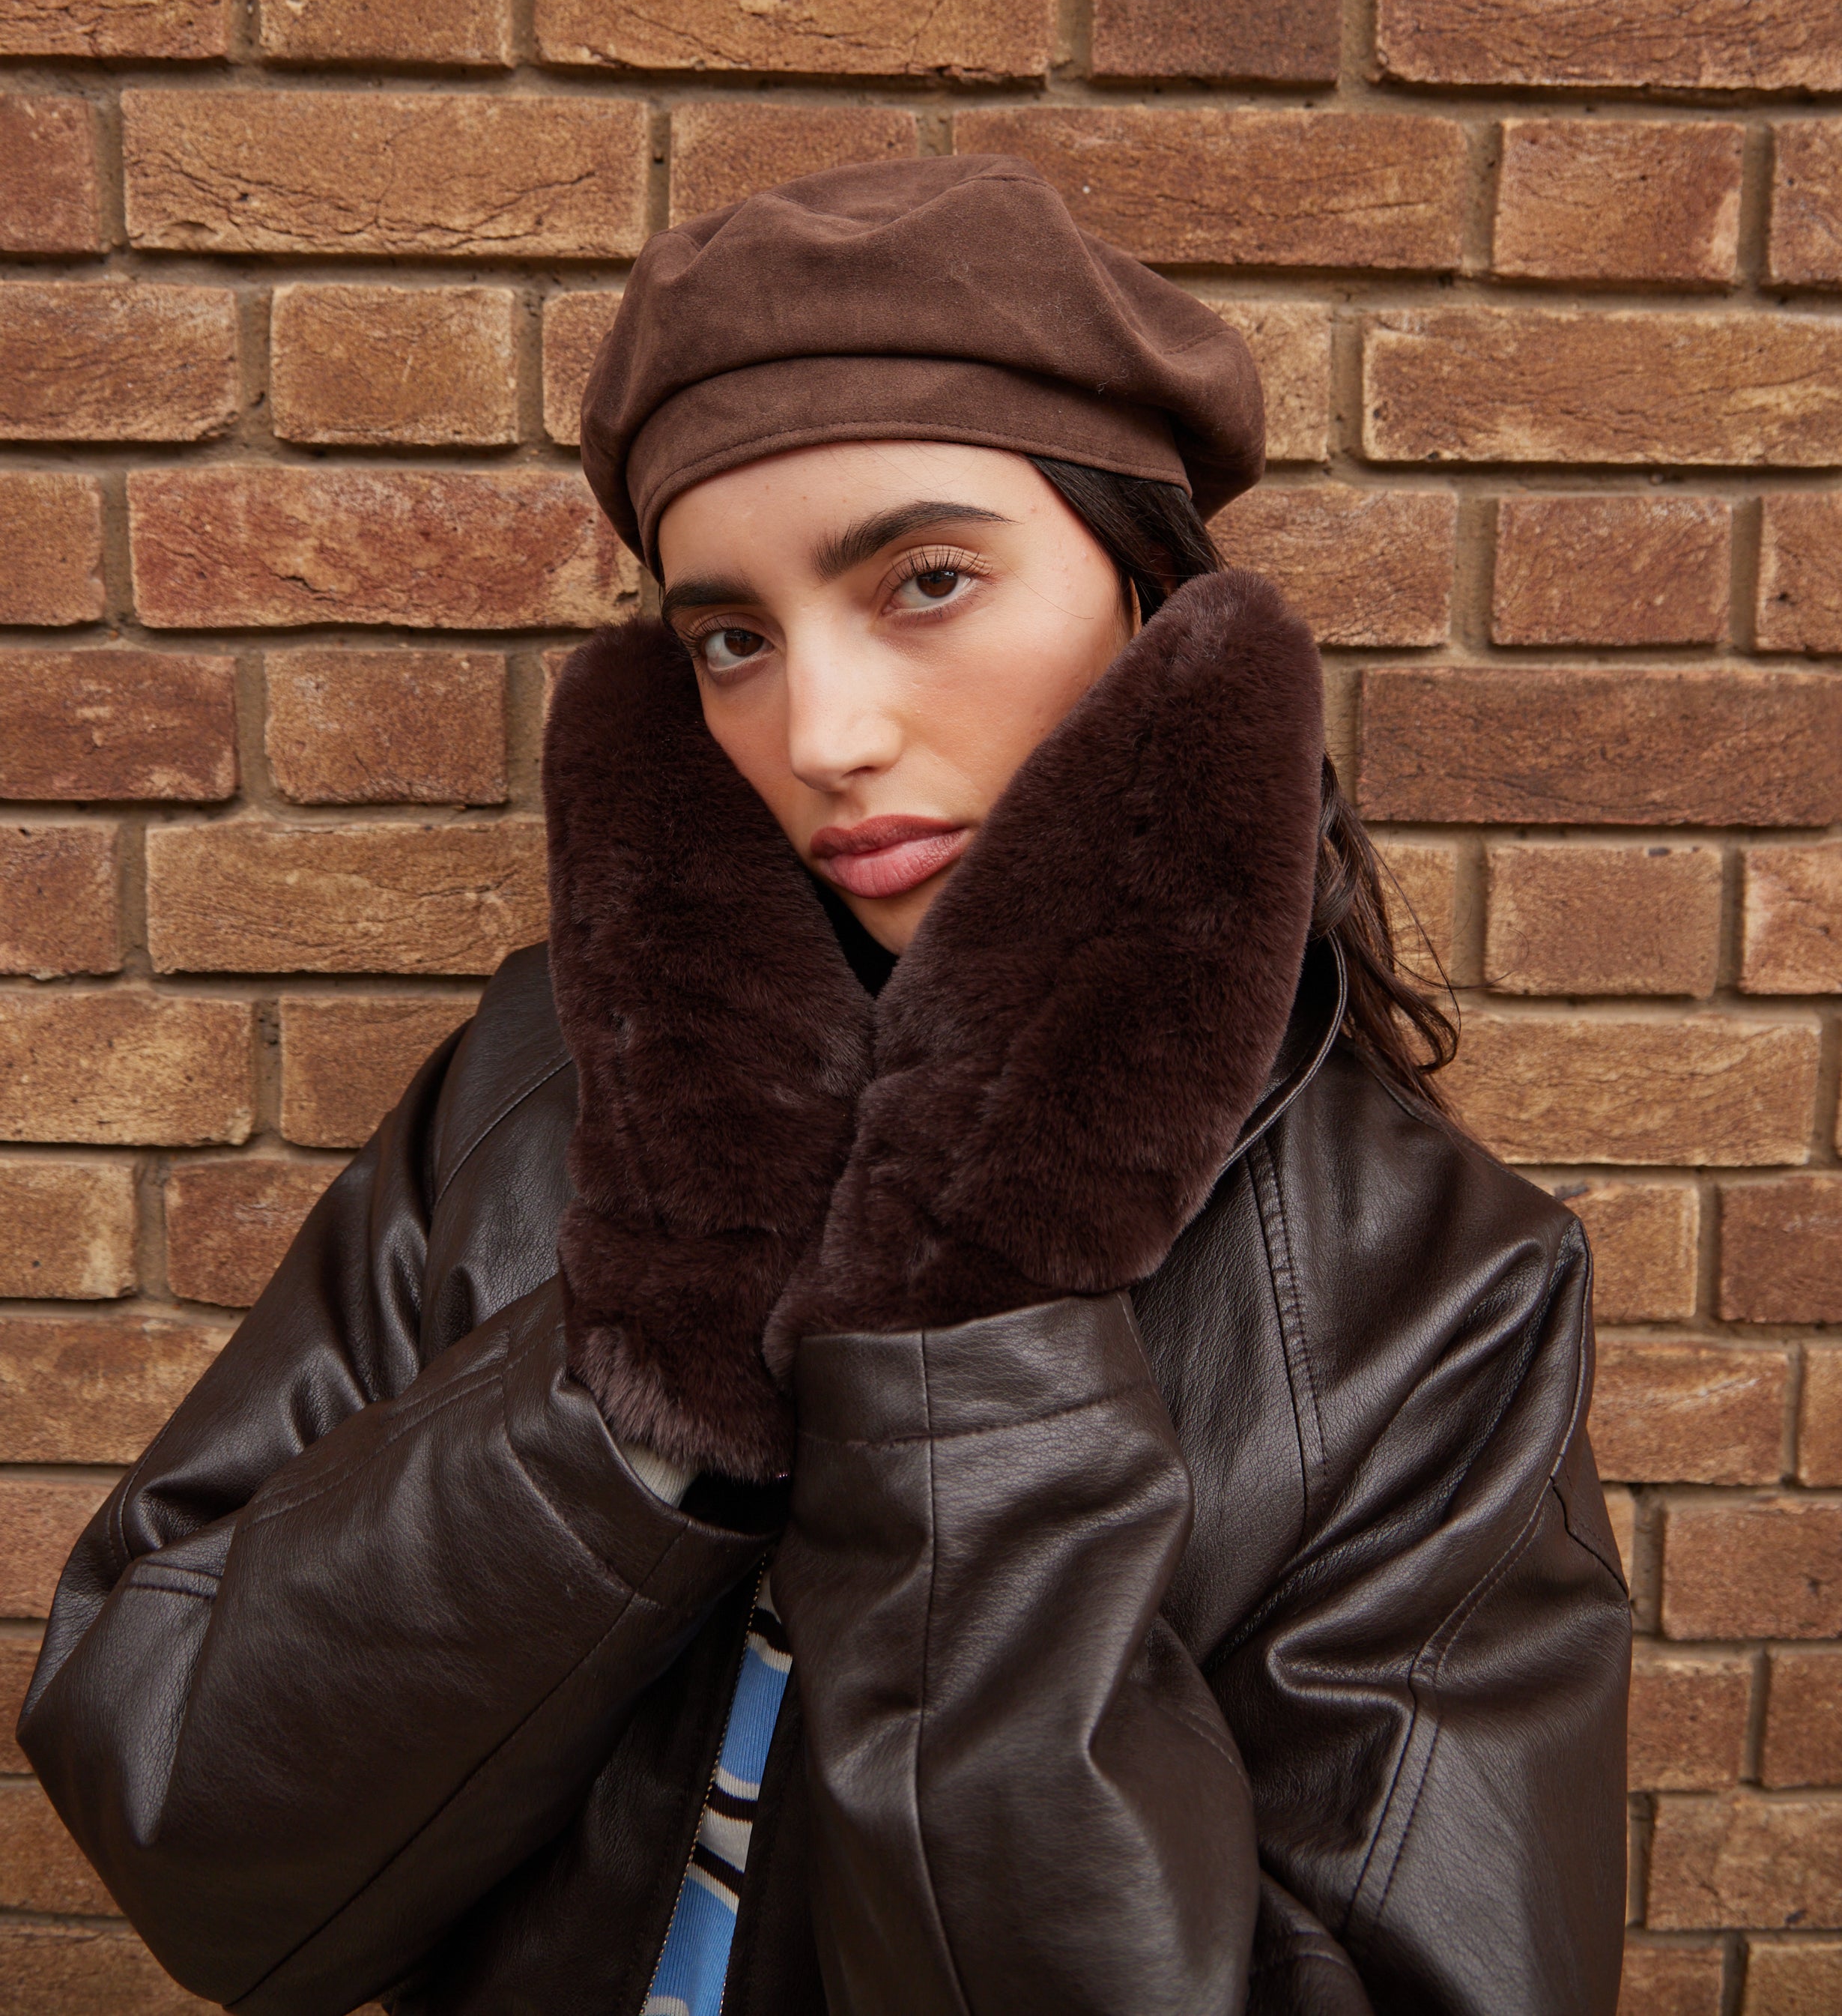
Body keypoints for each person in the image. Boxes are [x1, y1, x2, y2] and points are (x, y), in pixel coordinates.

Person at [20, 157, 1630, 2016]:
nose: (824, 734)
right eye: (731, 637)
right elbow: (181, 1813)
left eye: (925, 579)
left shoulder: (1438, 1290)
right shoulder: (536, 1091)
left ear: (1153, 600)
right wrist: (646, 1367)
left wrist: (975, 1335)